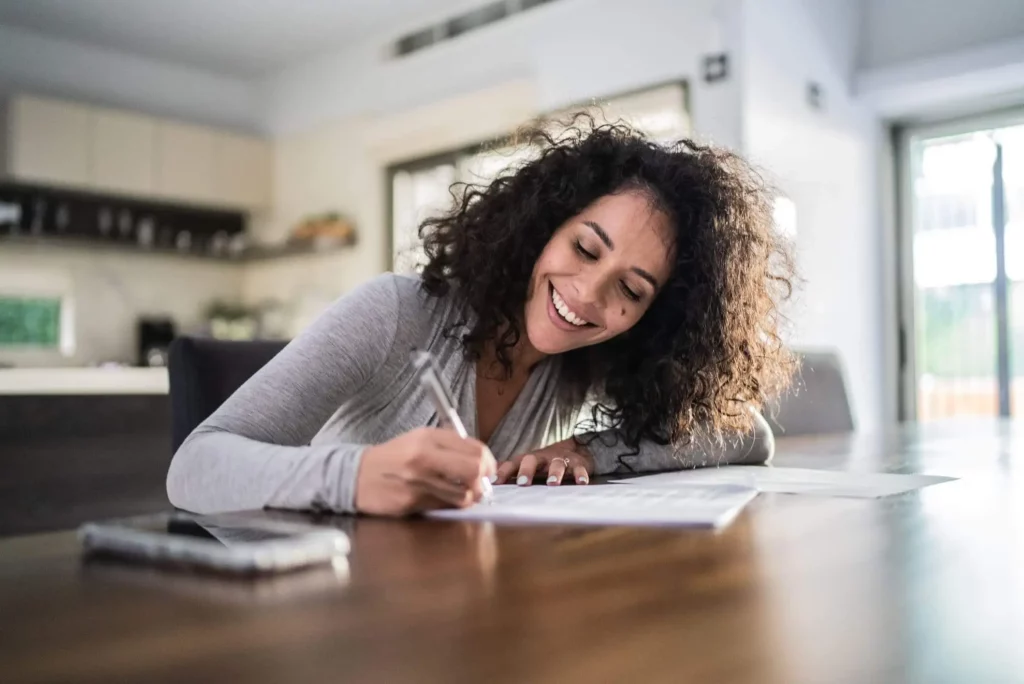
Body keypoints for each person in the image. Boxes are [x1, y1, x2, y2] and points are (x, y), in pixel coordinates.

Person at [167, 115, 795, 517]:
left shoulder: (585, 359)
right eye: (583, 249)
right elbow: (194, 466)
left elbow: (748, 434)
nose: (586, 296)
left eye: (630, 290)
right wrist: (355, 477)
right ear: (543, 225)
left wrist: (587, 449)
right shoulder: (395, 314)